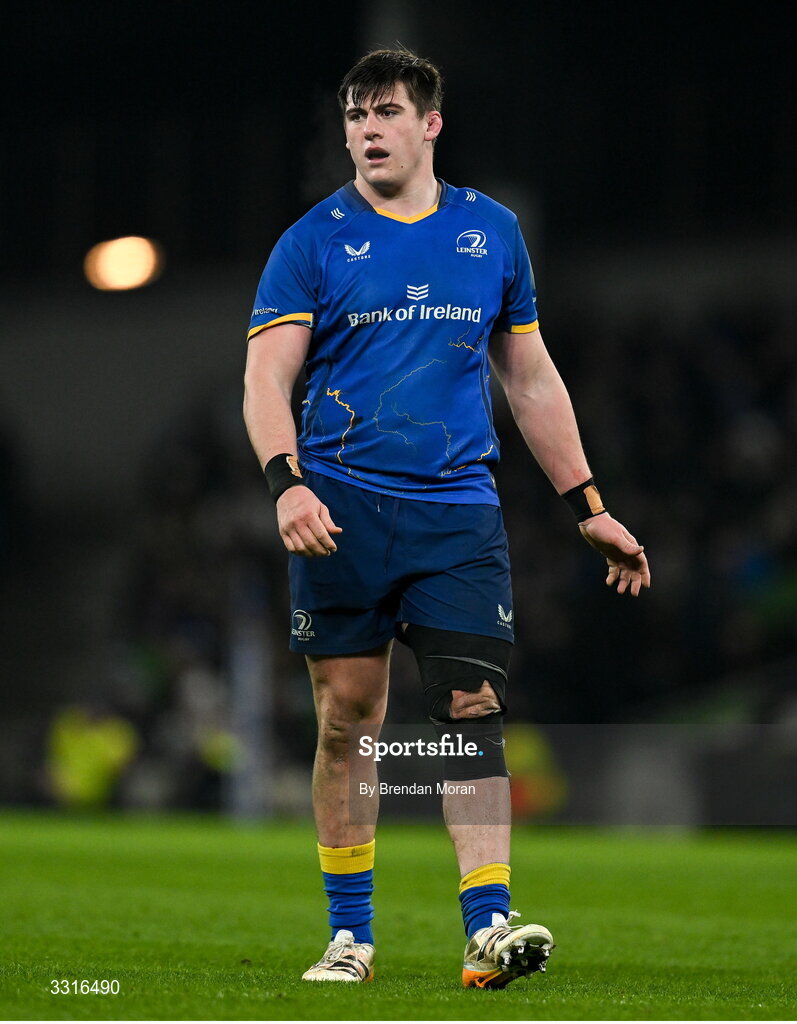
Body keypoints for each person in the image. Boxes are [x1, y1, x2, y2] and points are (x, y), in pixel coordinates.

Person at [243, 47, 650, 988]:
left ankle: (488, 924)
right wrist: (285, 482)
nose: (366, 129)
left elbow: (529, 375)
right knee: (350, 716)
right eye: (353, 115)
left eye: (384, 111)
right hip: (339, 509)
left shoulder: (491, 231)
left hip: (456, 512)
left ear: (429, 124)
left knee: (471, 708)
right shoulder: (311, 240)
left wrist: (585, 502)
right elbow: (268, 375)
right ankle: (351, 935)